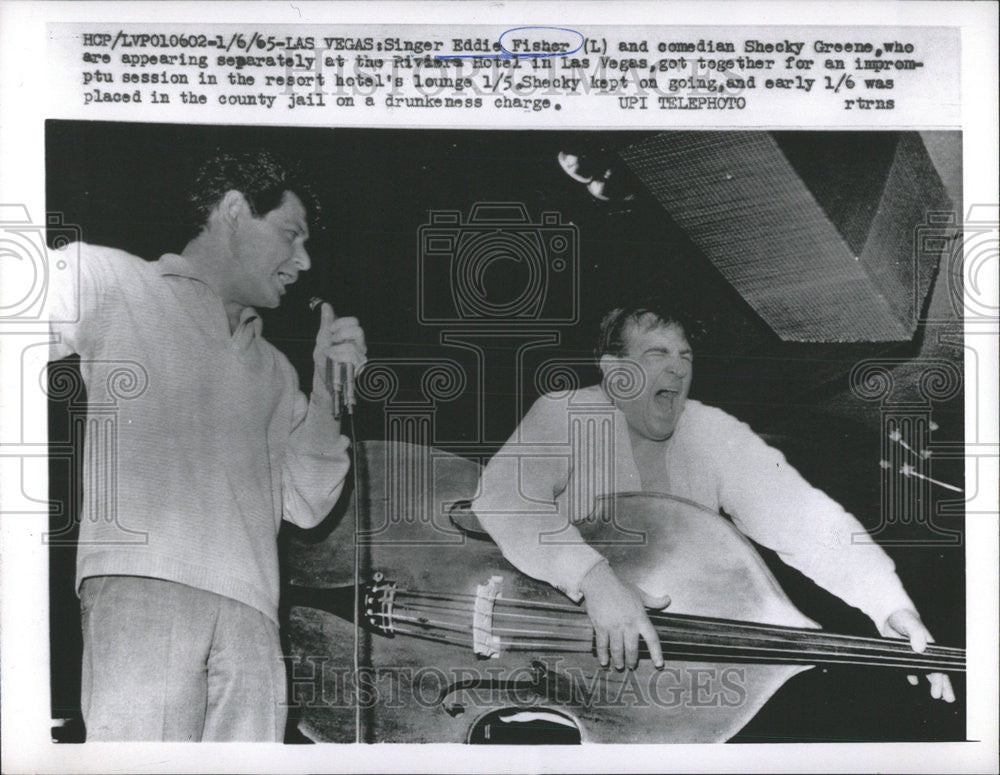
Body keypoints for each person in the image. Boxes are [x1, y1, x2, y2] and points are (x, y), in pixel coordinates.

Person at [471, 301, 955, 703]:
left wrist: (888, 604)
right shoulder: (567, 413)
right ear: (613, 371)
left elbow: (804, 519)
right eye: (656, 352)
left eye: (685, 354)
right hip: (531, 663)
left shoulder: (710, 430)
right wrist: (594, 578)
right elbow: (503, 496)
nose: (677, 367)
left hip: (658, 690)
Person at [46, 151, 367, 741]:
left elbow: (307, 503)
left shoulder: (275, 370)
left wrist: (324, 389)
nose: (304, 261)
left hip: (253, 616)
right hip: (143, 585)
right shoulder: (116, 281)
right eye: (290, 235)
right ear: (235, 211)